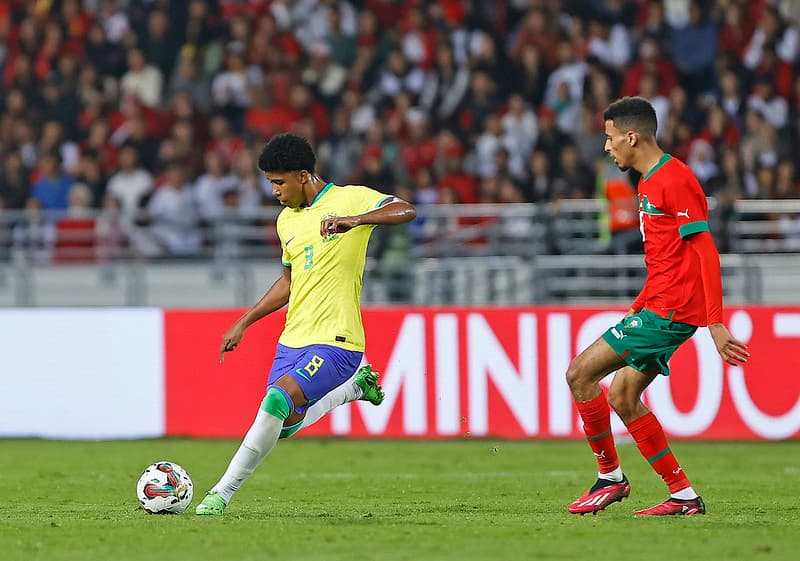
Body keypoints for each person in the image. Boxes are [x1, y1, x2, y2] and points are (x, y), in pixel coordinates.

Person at [195, 133, 417, 515]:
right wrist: (244, 321)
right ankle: (355, 389)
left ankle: (220, 494)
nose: (275, 192)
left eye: (279, 183)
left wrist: (357, 221)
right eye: (270, 183)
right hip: (292, 340)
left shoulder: (349, 198)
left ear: (302, 175)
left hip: (339, 340)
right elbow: (288, 281)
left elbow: (405, 209)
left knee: (276, 401)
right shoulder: (286, 222)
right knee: (283, 422)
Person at [566, 97, 749, 516]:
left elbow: (705, 252)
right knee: (624, 397)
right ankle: (683, 495)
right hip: (659, 306)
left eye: (610, 138)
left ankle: (609, 477)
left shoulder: (676, 179)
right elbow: (667, 258)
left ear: (632, 136)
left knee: (579, 373)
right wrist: (639, 302)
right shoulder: (648, 182)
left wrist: (715, 323)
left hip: (671, 313)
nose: (607, 147)